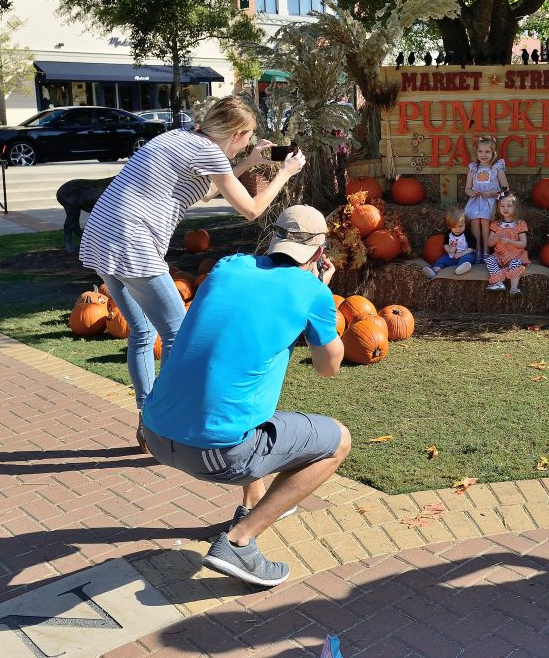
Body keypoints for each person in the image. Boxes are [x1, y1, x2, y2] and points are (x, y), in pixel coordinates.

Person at [79, 96, 306, 451]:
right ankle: (162, 423)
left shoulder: (182, 137)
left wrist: (250, 160)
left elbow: (207, 190)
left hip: (103, 233)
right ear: (235, 133)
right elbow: (252, 209)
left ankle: (147, 421)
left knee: (141, 330)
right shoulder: (210, 153)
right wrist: (285, 171)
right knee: (178, 334)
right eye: (248, 138)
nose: (249, 142)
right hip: (133, 241)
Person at [141, 205, 349, 587]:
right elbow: (328, 366)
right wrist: (321, 292)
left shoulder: (227, 266)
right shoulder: (313, 291)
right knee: (338, 440)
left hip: (154, 432)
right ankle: (239, 542)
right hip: (216, 452)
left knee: (253, 415)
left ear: (272, 239)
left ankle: (250, 507)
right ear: (319, 255)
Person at [464, 136, 508, 261]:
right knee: (474, 220)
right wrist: (471, 193)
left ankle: (486, 249)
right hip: (476, 201)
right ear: (477, 152)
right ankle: (477, 248)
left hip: (490, 201)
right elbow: (467, 188)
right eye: (480, 151)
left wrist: (492, 193)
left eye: (487, 151)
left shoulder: (497, 169)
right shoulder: (473, 169)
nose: (483, 155)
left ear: (493, 153)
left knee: (484, 220)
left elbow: (505, 188)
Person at [485, 193, 529, 295]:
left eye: (509, 206)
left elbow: (523, 244)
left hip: (515, 256)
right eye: (502, 206)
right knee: (490, 260)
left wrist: (510, 242)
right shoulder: (496, 224)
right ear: (498, 208)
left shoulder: (520, 224)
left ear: (515, 207)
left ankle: (514, 288)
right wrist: (495, 240)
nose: (505, 208)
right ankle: (499, 283)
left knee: (516, 264)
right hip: (500, 256)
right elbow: (489, 243)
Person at [423, 206, 477, 278]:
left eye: (460, 226)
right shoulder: (448, 234)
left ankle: (460, 268)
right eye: (454, 227)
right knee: (443, 259)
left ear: (465, 224)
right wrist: (449, 250)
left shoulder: (467, 233)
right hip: (453, 256)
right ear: (449, 226)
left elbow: (472, 247)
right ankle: (435, 270)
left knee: (468, 258)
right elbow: (445, 244)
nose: (458, 229)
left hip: (465, 254)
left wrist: (461, 254)